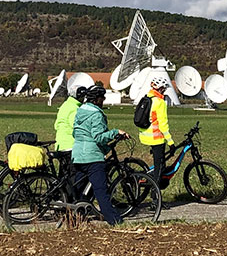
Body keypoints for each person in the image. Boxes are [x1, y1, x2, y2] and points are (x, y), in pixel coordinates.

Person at [71, 85, 126, 225]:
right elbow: (98, 137)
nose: (104, 100)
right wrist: (115, 132)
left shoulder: (80, 111)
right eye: (103, 98)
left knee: (78, 190)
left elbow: (75, 133)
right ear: (97, 99)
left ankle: (74, 217)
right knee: (101, 191)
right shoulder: (96, 114)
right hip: (93, 157)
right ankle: (114, 220)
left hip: (77, 155)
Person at [138, 76, 177, 185]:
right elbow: (163, 125)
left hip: (145, 136)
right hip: (156, 139)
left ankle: (148, 178)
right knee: (159, 168)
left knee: (159, 164)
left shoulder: (147, 98)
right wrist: (170, 142)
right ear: (161, 89)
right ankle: (155, 197)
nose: (164, 91)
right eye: (164, 89)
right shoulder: (159, 102)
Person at [53, 85, 88, 172]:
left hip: (60, 144)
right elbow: (77, 127)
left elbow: (57, 125)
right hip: (70, 145)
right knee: (72, 175)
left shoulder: (65, 105)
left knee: (64, 174)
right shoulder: (75, 109)